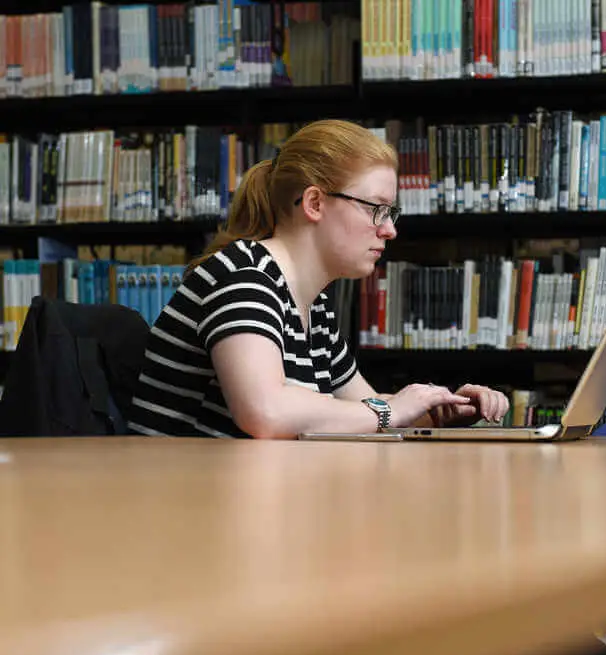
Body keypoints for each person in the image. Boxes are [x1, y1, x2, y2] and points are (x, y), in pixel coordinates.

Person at [126, 119, 509, 438]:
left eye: (392, 213)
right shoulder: (244, 277)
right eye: (377, 209)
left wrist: (437, 411)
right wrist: (393, 409)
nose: (389, 230)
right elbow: (265, 411)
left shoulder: (313, 303)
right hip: (182, 505)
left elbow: (364, 413)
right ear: (314, 203)